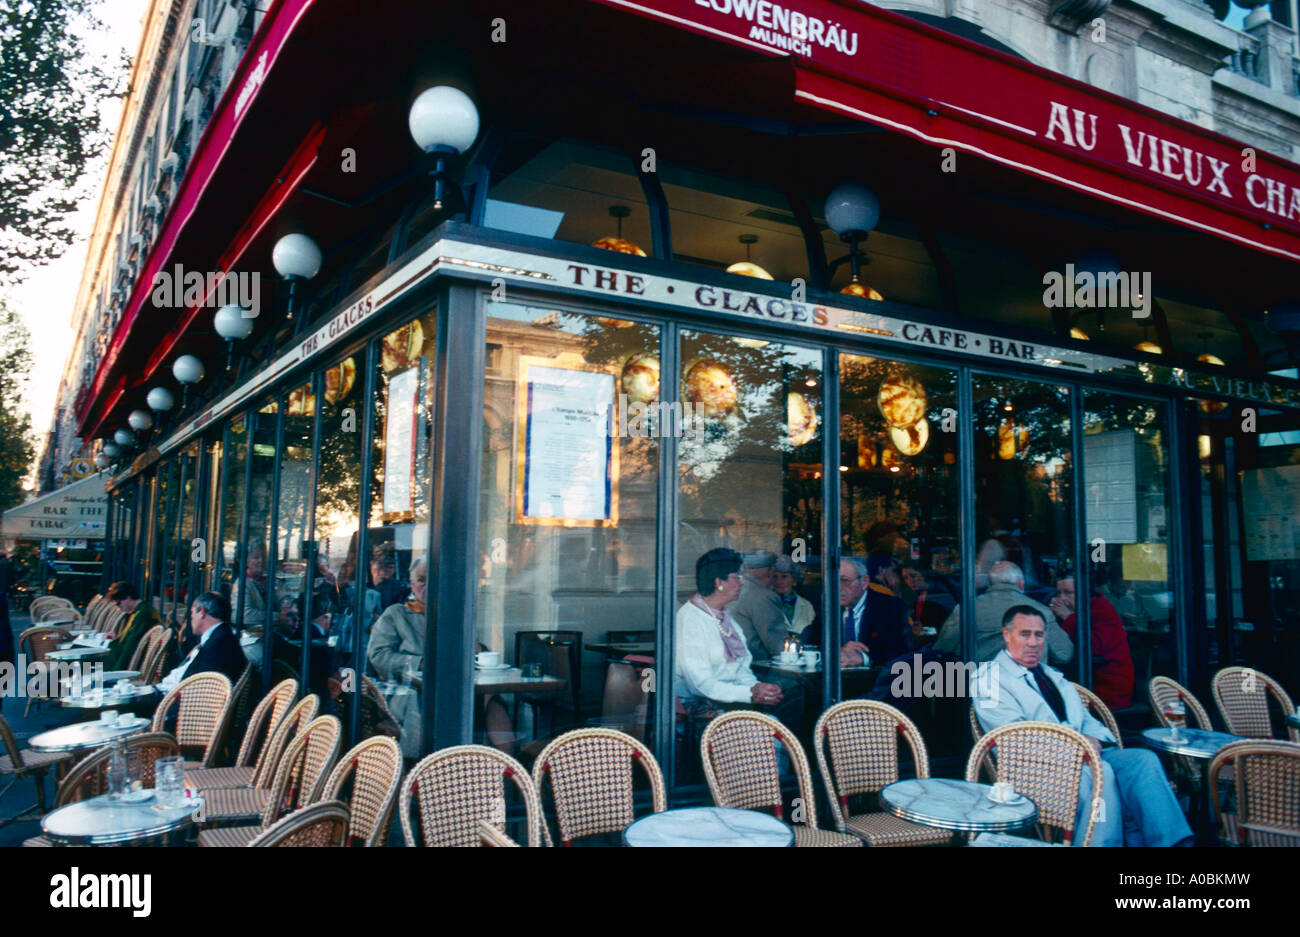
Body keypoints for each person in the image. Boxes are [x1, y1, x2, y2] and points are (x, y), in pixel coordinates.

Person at [974, 606, 1192, 846]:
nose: (1034, 642)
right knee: (1103, 773)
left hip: (1084, 757)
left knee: (1142, 760)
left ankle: (1173, 842)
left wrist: (1096, 740)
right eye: (1025, 634)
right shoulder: (989, 679)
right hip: (1038, 768)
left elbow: (1086, 719)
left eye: (1039, 635)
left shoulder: (1050, 674)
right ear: (1007, 635)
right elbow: (1013, 738)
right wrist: (1079, 746)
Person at [674, 548, 784, 710]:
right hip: (700, 710)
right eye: (737, 577)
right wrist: (749, 693)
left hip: (731, 703)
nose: (742, 582)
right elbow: (698, 686)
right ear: (719, 583)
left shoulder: (725, 618)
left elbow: (741, 671)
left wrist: (759, 689)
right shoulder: (691, 619)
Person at [935, 560, 1073, 665]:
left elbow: (944, 648)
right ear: (1021, 584)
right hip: (1026, 691)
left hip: (979, 689)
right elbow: (1064, 654)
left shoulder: (965, 609)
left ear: (990, 585)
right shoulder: (1040, 612)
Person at [365, 557, 428, 757]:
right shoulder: (396, 614)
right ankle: (414, 767)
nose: (427, 586)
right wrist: (419, 664)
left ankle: (503, 768)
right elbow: (378, 656)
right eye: (421, 580)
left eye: (434, 579)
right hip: (406, 692)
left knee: (494, 701)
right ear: (411, 583)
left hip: (453, 689)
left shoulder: (456, 615)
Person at [1051, 576, 1135, 710]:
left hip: (1108, 688)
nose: (1062, 598)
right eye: (1059, 593)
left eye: (1067, 592)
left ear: (1083, 592)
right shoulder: (1077, 610)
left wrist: (1068, 617)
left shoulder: (1100, 609)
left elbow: (1093, 647)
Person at [155, 592, 245, 694]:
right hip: (170, 694)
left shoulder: (219, 643)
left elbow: (201, 687)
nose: (191, 618)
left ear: (202, 612)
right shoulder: (217, 637)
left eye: (192, 613)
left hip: (179, 703)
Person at [728, 551, 788, 660]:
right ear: (771, 571)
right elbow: (777, 645)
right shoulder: (763, 596)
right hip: (755, 667)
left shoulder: (733, 588)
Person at [103, 582, 161, 671]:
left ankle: (89, 683)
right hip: (119, 655)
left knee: (83, 664)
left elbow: (130, 649)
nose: (118, 608)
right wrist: (117, 639)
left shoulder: (142, 615)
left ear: (128, 598)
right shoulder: (140, 611)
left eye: (118, 603)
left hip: (122, 661)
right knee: (85, 662)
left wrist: (116, 672)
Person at [228, 540, 268, 629]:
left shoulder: (270, 582)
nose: (261, 561)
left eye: (264, 557)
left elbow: (284, 599)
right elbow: (244, 615)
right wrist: (276, 617)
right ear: (247, 561)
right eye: (256, 558)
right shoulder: (242, 583)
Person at [771, 555, 815, 635]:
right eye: (775, 576)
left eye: (784, 576)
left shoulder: (806, 606)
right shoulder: (766, 603)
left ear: (794, 580)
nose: (778, 581)